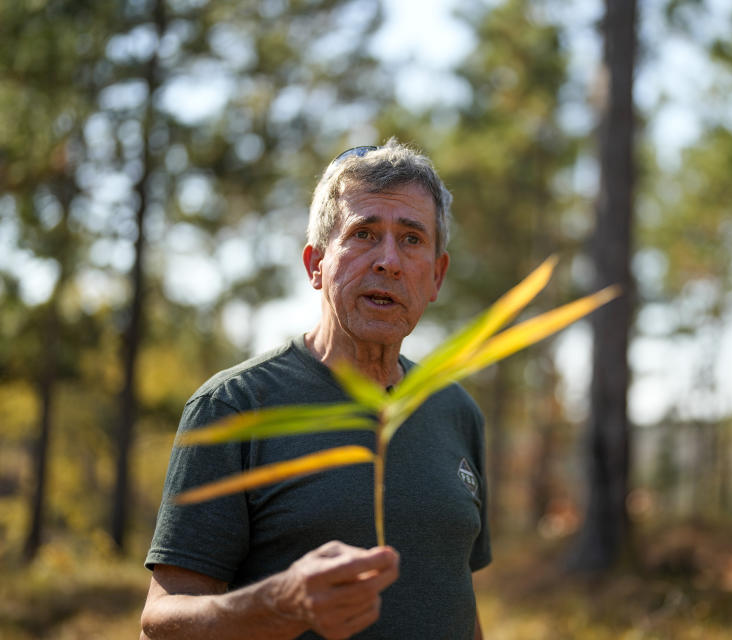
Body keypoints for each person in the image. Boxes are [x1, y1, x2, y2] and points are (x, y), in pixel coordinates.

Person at [140, 140, 490, 640]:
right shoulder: (233, 406)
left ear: (436, 275)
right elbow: (159, 625)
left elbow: (457, 597)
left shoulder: (457, 411)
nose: (389, 261)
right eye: (364, 233)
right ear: (315, 265)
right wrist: (277, 603)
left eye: (412, 239)